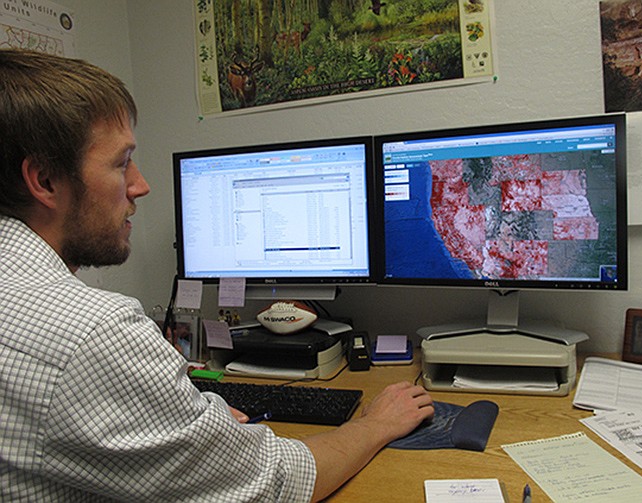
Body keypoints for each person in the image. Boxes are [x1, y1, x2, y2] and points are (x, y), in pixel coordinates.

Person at [0, 49, 434, 502]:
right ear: (45, 181)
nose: (140, 185)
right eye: (120, 162)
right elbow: (279, 484)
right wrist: (376, 424)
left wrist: (192, 416)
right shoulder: (94, 332)